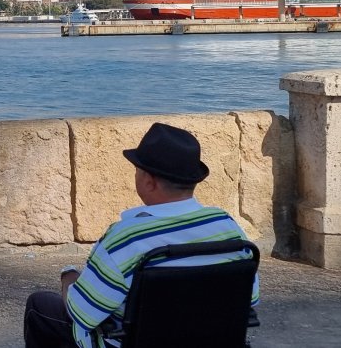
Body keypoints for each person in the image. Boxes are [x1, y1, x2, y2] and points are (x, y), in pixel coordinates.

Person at [24, 122, 259, 348]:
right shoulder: (227, 227)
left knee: (40, 305)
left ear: (148, 181)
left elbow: (81, 315)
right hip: (212, 341)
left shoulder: (126, 239)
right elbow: (250, 299)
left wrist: (69, 278)